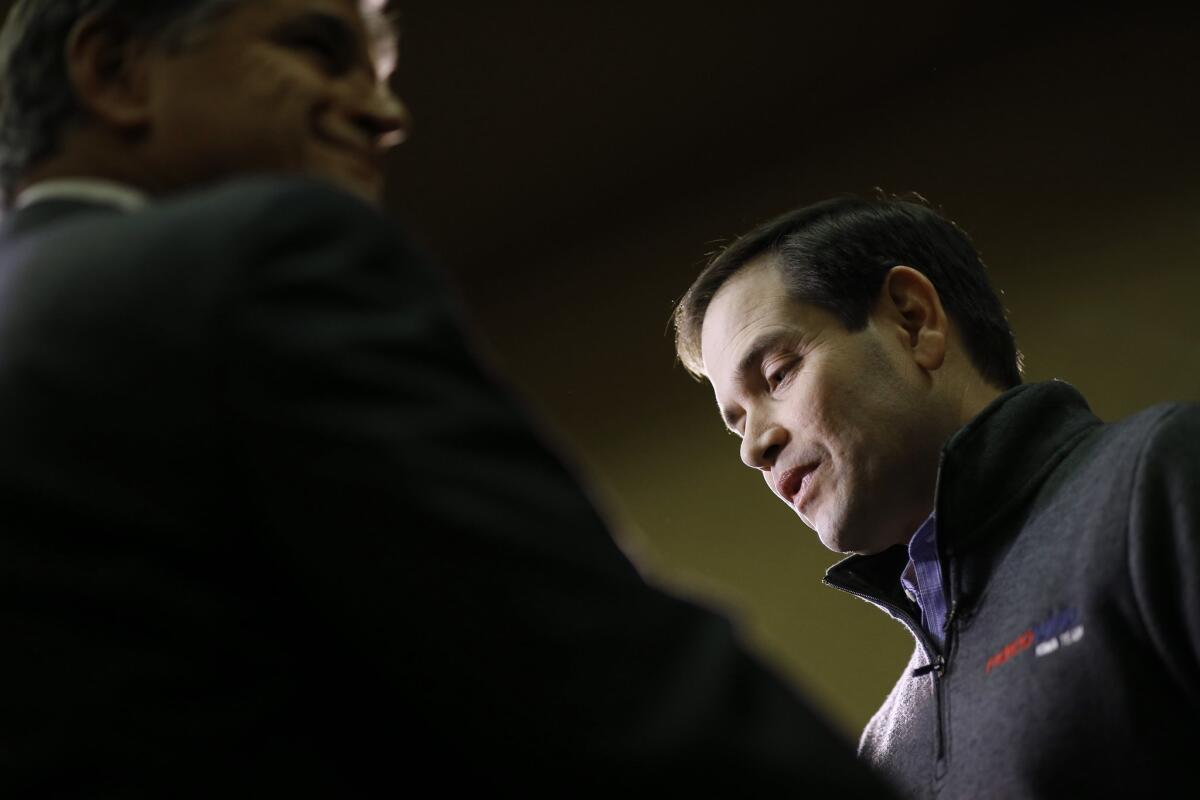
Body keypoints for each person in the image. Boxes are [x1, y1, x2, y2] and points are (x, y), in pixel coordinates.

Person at [0, 0, 900, 796]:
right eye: (315, 47)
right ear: (115, 70)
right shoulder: (258, 258)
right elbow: (596, 678)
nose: (385, 113)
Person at [672, 195, 1200, 798]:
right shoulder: (886, 746)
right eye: (737, 423)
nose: (754, 447)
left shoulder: (1162, 478)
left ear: (913, 321)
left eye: (777, 375)